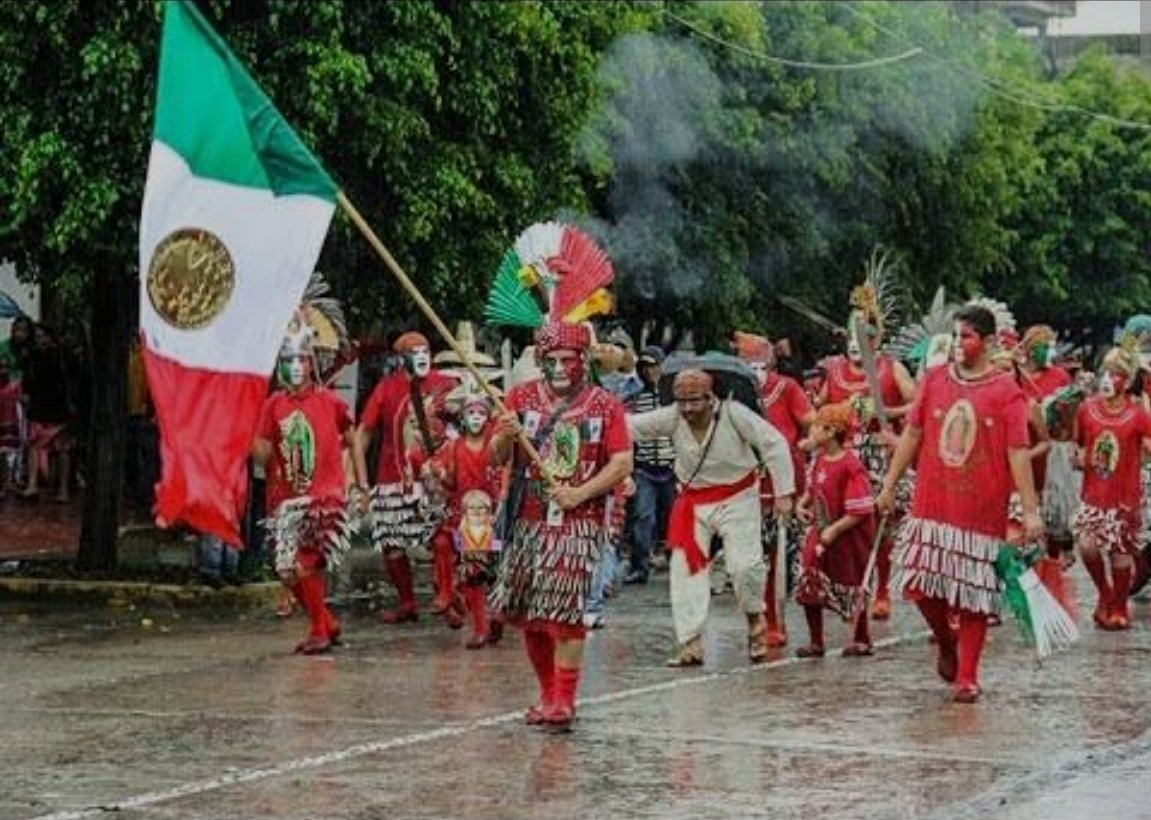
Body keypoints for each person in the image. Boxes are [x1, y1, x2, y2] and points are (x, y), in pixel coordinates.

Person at [877, 303, 1042, 704]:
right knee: (918, 585)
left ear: (988, 342)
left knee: (973, 593)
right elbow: (913, 435)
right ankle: (946, 641)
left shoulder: (1007, 392)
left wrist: (1031, 510)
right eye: (955, 336)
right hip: (931, 502)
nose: (957, 344)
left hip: (981, 508)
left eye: (966, 336)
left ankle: (967, 675)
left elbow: (1019, 452)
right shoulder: (933, 380)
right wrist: (888, 484)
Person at [490, 320, 633, 731]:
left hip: (577, 523)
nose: (558, 368)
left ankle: (564, 701)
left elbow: (621, 462)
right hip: (527, 520)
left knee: (565, 615)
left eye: (566, 360)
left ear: (583, 361)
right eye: (549, 361)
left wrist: (581, 493)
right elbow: (498, 459)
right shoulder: (519, 397)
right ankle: (548, 693)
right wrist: (506, 435)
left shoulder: (605, 405)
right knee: (528, 614)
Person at [629, 369, 795, 668]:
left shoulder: (734, 414)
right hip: (692, 501)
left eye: (695, 401)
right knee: (685, 571)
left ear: (711, 397)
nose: (688, 409)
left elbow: (774, 444)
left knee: (744, 567)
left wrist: (784, 493)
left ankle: (756, 620)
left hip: (738, 497)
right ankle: (690, 642)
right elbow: (629, 428)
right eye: (682, 401)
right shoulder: (672, 416)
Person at [252, 312, 369, 654]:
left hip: (325, 499)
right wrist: (244, 425)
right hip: (285, 501)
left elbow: (353, 439)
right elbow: (262, 455)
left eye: (300, 360)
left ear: (311, 362)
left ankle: (319, 629)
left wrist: (360, 485)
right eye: (288, 360)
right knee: (287, 570)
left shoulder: (330, 401)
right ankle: (327, 621)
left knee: (305, 564)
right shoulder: (272, 405)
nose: (295, 366)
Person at [818, 280, 916, 621]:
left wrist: (885, 413)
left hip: (879, 452)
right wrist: (836, 417)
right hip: (844, 455)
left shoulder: (892, 369)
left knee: (881, 524)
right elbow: (819, 412)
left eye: (865, 337)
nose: (857, 344)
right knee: (849, 524)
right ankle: (851, 585)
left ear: (876, 339)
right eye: (852, 337)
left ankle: (883, 589)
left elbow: (918, 405)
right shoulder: (833, 372)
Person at [358, 331, 458, 624]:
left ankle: (449, 596)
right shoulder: (387, 388)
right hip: (394, 477)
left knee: (442, 538)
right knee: (392, 542)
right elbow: (364, 432)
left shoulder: (446, 385)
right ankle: (407, 602)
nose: (422, 357)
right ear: (401, 359)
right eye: (414, 353)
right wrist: (358, 480)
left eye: (425, 350)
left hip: (437, 478)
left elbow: (466, 422)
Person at [734, 330, 813, 647]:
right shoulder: (734, 395)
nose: (754, 368)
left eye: (759, 361)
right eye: (747, 362)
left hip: (783, 485)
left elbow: (811, 422)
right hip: (747, 484)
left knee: (781, 554)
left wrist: (831, 428)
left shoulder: (787, 387)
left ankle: (776, 620)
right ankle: (758, 618)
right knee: (752, 558)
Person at [1070, 343, 1151, 630]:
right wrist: (1078, 457)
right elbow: (1077, 446)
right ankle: (1104, 595)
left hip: (1124, 498)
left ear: (1127, 380)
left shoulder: (1137, 414)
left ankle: (1118, 606)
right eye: (1106, 371)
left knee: (1120, 553)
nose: (1108, 378)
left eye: (1116, 373)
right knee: (1088, 547)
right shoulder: (1086, 409)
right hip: (1094, 496)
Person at [793, 402, 876, 658]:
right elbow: (812, 489)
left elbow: (860, 510)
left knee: (853, 584)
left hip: (847, 538)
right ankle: (816, 640)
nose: (812, 430)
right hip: (820, 530)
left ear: (831, 431)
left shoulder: (851, 465)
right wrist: (801, 505)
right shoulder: (819, 460)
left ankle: (862, 638)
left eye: (817, 426)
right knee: (808, 576)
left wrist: (836, 530)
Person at [426, 391, 504, 645]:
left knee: (489, 572)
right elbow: (450, 482)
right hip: (460, 513)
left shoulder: (496, 443)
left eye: (481, 413)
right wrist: (438, 474)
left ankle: (495, 618)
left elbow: (504, 472)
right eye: (471, 413)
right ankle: (477, 623)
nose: (476, 418)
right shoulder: (454, 446)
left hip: (489, 515)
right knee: (447, 548)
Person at [622, 345, 676, 585]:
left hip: (672, 467)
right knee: (644, 518)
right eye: (645, 366)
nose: (650, 371)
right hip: (644, 467)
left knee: (675, 518)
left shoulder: (673, 398)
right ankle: (640, 565)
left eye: (654, 366)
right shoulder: (634, 398)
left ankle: (677, 564)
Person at [19, 324, 73, 502]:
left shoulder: (62, 356)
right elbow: (26, 379)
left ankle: (63, 489)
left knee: (62, 448)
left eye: (43, 336)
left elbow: (69, 381)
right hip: (37, 407)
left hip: (58, 408)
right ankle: (32, 485)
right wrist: (25, 394)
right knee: (34, 444)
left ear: (51, 337)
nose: (40, 340)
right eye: (37, 337)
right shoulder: (31, 357)